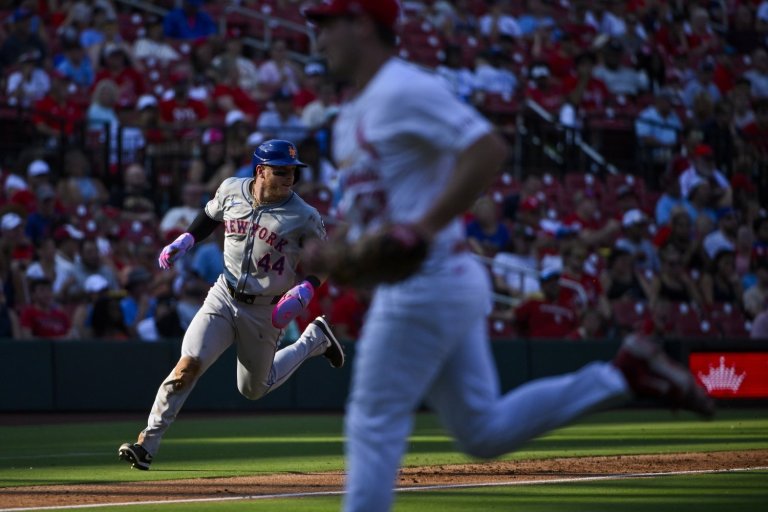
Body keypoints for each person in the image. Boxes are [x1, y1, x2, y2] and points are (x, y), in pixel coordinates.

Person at [302, 2, 714, 511]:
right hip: (437, 280)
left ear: (362, 24)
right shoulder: (349, 117)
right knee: (481, 431)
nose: (316, 36)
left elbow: (487, 148)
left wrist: (424, 227)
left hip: (428, 279)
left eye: (326, 23)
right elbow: (376, 215)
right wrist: (336, 250)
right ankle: (620, 376)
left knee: (372, 419)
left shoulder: (404, 87)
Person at [117, 139, 345, 470]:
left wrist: (307, 288)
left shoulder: (304, 215)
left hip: (266, 309)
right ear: (260, 171)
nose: (289, 179)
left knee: (253, 389)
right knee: (188, 365)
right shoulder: (231, 189)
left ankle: (314, 339)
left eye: (293, 172)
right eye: (281, 171)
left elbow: (324, 262)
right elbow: (210, 216)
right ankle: (147, 444)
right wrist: (187, 239)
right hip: (223, 295)